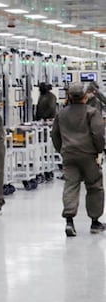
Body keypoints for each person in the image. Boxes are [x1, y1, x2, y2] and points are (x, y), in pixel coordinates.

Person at [51, 83, 105, 237]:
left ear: (69, 96)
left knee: (71, 186)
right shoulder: (92, 113)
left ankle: (69, 221)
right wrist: (99, 151)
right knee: (94, 186)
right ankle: (95, 222)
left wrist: (62, 150)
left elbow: (55, 135)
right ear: (85, 96)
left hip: (69, 154)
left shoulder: (61, 114)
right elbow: (98, 134)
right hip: (88, 155)